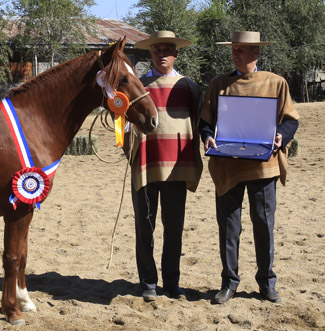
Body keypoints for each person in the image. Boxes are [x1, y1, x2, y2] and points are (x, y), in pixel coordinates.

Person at [199, 31, 299, 304]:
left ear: (256, 53)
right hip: (228, 167)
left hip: (263, 167)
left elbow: (290, 119)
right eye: (234, 49)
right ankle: (229, 282)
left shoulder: (276, 83)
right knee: (229, 228)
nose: (235, 53)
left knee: (264, 225)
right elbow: (206, 121)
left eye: (241, 50)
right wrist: (207, 136)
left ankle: (267, 282)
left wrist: (282, 136)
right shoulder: (219, 84)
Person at [126, 31, 203, 301]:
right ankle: (148, 283)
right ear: (151, 54)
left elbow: (202, 123)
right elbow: (125, 125)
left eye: (167, 50)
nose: (162, 54)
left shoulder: (188, 87)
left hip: (177, 168)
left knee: (173, 228)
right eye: (157, 50)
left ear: (176, 54)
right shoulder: (136, 86)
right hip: (146, 167)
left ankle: (172, 283)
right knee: (144, 226)